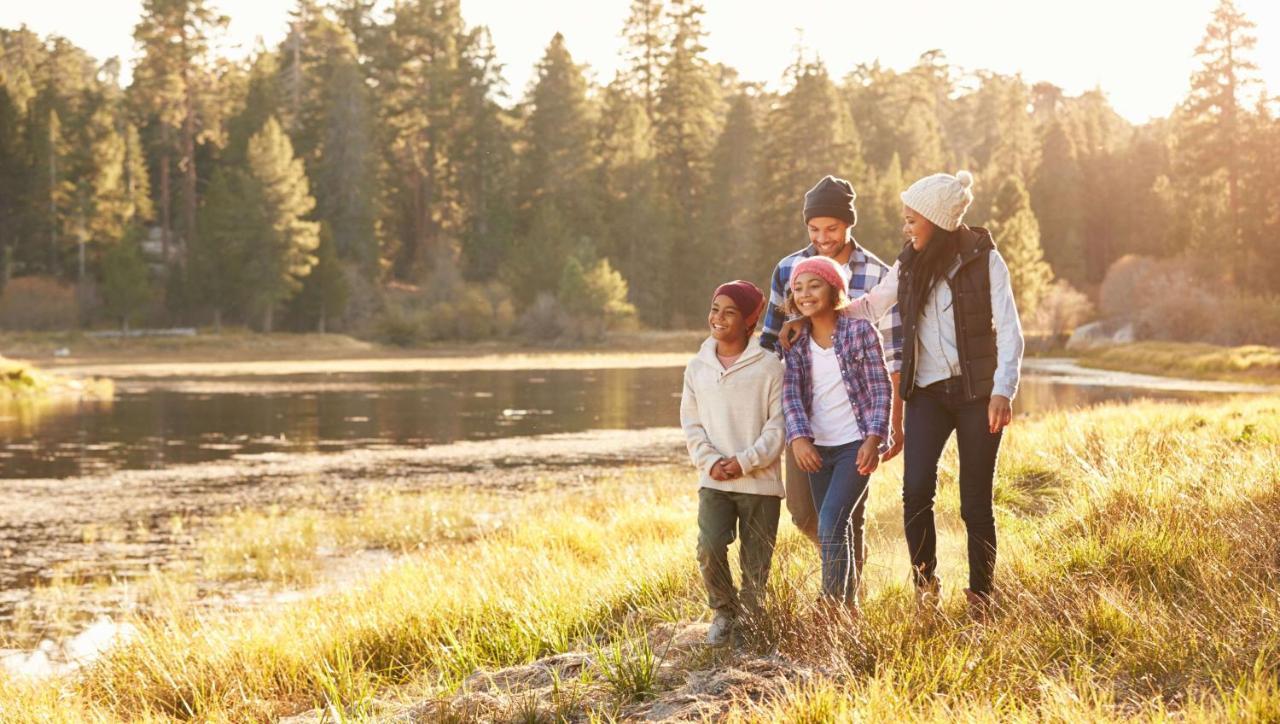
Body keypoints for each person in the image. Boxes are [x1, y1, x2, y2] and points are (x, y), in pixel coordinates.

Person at [783, 170, 1025, 620]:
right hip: (927, 393)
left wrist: (1002, 390)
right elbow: (873, 303)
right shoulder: (909, 262)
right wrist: (813, 314)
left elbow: (1010, 330)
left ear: (936, 219)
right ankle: (925, 584)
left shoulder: (985, 259)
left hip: (978, 394)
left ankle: (981, 595)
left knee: (975, 501)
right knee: (915, 492)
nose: (906, 227)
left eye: (913, 219)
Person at [760, 176, 904, 579]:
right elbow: (771, 341)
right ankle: (849, 569)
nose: (823, 237)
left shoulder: (875, 272)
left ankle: (841, 601)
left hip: (857, 419)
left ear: (849, 225)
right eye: (814, 229)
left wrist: (891, 424)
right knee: (805, 513)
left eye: (833, 228)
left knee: (843, 513)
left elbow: (894, 352)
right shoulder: (789, 268)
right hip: (806, 417)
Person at [779, 256, 892, 616]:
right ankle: (848, 608)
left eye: (814, 285)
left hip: (854, 447)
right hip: (816, 450)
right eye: (798, 288)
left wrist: (874, 438)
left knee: (830, 520)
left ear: (834, 289)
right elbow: (791, 394)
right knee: (835, 525)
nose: (805, 294)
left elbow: (881, 389)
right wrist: (798, 438)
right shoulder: (795, 342)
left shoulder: (860, 332)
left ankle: (829, 607)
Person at [680, 280, 786, 645]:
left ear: (749, 321)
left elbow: (778, 427)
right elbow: (691, 423)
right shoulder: (697, 368)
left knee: (756, 563)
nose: (719, 318)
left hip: (759, 482)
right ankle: (725, 613)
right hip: (714, 480)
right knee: (709, 546)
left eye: (730, 312)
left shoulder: (770, 367)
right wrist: (711, 462)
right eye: (715, 309)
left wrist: (744, 462)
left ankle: (753, 624)